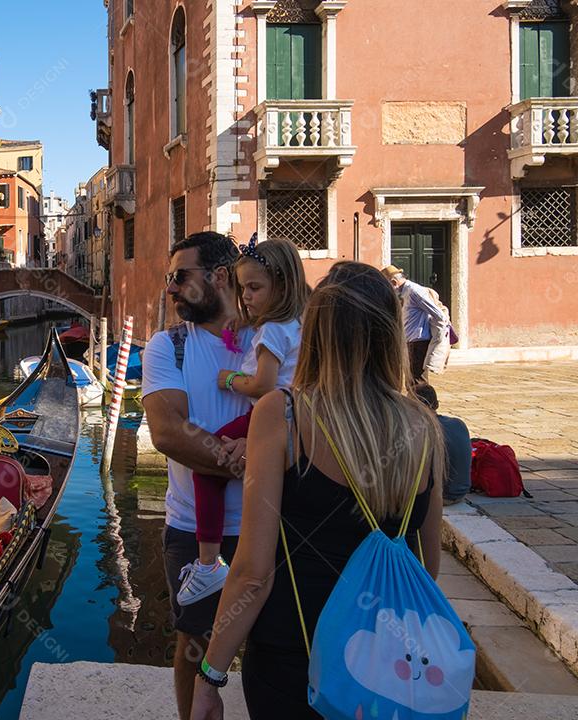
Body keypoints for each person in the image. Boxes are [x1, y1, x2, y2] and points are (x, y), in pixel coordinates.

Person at [190, 262, 444, 720]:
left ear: (317, 332)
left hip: (295, 657)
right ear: (389, 334)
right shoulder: (423, 427)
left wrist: (210, 673)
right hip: (387, 660)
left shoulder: (283, 415)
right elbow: (428, 564)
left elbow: (252, 572)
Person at [141, 231, 252, 720]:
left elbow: (306, 414)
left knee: (276, 641)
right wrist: (249, 459)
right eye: (169, 278)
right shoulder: (167, 347)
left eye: (179, 277)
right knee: (192, 643)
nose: (170, 288)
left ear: (220, 277)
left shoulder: (270, 341)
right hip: (191, 529)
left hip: (265, 525)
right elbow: (168, 432)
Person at [178, 236, 310, 606]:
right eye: (242, 288)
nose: (246, 296)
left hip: (268, 415)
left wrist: (229, 380)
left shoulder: (271, 331)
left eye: (254, 288)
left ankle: (208, 564)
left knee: (207, 462)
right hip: (293, 420)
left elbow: (264, 384)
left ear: (280, 287)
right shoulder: (297, 322)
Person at [380, 265, 446, 383]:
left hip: (418, 342)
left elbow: (439, 315)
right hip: (409, 342)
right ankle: (417, 401)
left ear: (394, 282)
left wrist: (437, 340)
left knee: (417, 381)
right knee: (410, 380)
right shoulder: (403, 292)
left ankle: (426, 402)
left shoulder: (414, 291)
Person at [414, 383, 471, 504]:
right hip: (462, 492)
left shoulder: (424, 431)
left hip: (441, 496)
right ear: (437, 404)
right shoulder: (459, 423)